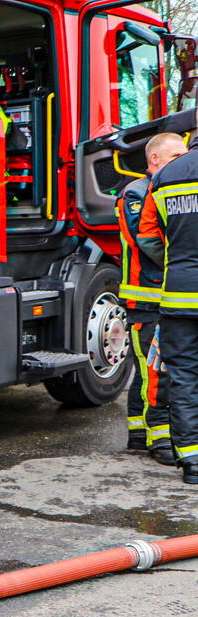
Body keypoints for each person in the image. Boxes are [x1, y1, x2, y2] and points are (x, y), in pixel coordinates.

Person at [116, 133, 186, 464]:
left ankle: (137, 435)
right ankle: (159, 439)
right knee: (155, 370)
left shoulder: (164, 189)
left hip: (161, 294)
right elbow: (144, 240)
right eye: (176, 156)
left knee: (146, 370)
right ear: (155, 160)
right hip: (145, 296)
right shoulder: (135, 193)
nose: (183, 162)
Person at [137, 129, 198, 485]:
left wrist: (174, 262)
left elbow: (146, 236)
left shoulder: (164, 178)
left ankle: (192, 461)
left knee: (185, 376)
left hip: (177, 296)